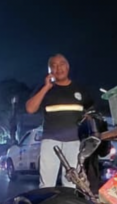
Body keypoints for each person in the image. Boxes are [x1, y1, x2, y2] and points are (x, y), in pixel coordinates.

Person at [25, 54, 95, 188]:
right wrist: (46, 87)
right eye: (53, 66)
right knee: (47, 183)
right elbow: (30, 108)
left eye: (61, 64)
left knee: (71, 182)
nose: (58, 68)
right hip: (50, 141)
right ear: (49, 70)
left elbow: (90, 112)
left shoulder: (80, 89)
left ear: (67, 67)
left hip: (74, 142)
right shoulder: (44, 89)